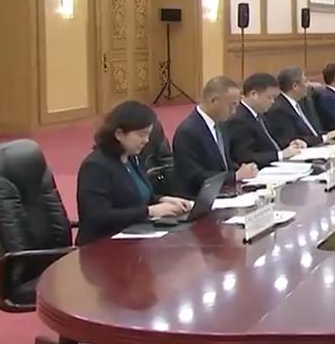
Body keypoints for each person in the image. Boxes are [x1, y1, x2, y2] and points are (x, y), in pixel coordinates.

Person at [76, 101, 192, 245]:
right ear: (119, 134)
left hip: (135, 236)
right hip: (103, 245)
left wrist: (162, 200)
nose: (146, 141)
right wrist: (150, 211)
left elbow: (136, 197)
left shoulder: (132, 158)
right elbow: (97, 216)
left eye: (148, 135)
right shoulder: (96, 166)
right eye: (141, 135)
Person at [172, 76, 258, 197]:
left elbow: (224, 163)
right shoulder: (188, 131)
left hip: (225, 191)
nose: (234, 112)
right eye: (231, 105)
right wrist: (234, 176)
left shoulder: (221, 125)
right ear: (214, 101)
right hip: (199, 196)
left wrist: (243, 169)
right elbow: (193, 176)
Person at [230, 73, 306, 167]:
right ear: (254, 94)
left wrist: (291, 144)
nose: (273, 102)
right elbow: (246, 157)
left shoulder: (260, 114)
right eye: (269, 97)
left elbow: (271, 141)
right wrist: (280, 155)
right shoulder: (239, 120)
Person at [266, 66, 335, 148]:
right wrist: (324, 138)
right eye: (305, 81)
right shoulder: (279, 110)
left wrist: (328, 134)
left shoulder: (300, 103)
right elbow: (293, 140)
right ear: (295, 86)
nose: (308, 85)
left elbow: (311, 132)